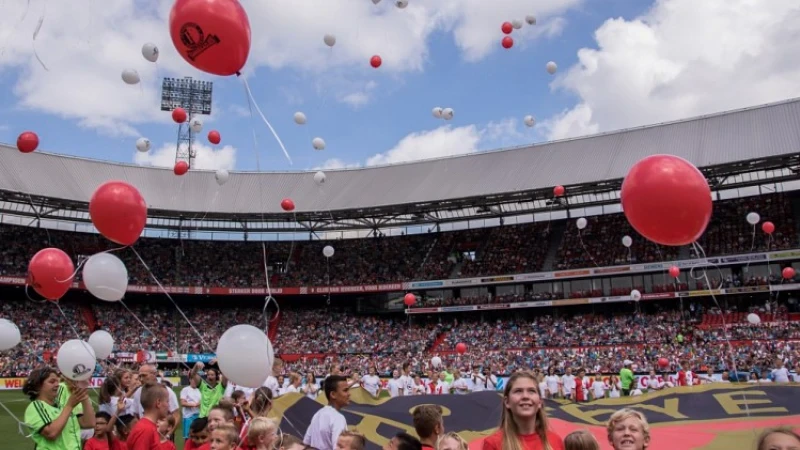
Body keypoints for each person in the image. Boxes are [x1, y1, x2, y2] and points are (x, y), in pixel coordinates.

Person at [482, 371, 564, 450]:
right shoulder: (493, 444)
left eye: (531, 391)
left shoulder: (556, 441)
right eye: (518, 391)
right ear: (507, 402)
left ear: (539, 402)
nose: (525, 396)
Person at [23, 366, 96, 450]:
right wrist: (69, 406)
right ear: (38, 386)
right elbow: (51, 433)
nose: (57, 384)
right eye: (52, 381)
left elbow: (89, 423)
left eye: (57, 381)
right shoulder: (35, 407)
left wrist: (83, 394)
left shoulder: (61, 407)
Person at [304, 375, 350, 450]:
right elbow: (338, 447)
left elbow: (306, 443)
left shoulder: (317, 414)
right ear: (333, 394)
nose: (349, 394)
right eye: (345, 390)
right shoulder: (338, 418)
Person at [127, 384, 171, 450]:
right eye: (167, 401)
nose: (169, 406)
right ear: (158, 403)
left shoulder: (149, 427)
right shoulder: (145, 430)